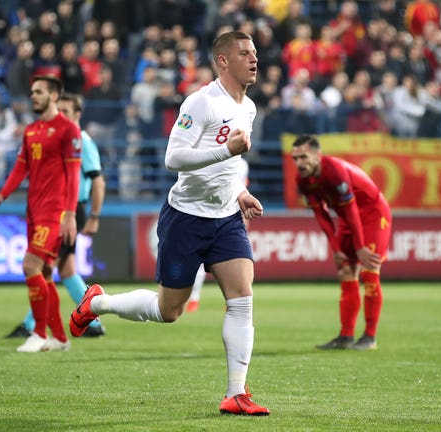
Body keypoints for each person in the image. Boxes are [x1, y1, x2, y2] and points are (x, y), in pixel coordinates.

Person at [69, 31, 270, 416]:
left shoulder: (249, 107)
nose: (254, 59)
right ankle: (99, 302)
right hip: (186, 217)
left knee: (242, 298)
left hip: (226, 216)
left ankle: (236, 393)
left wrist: (240, 191)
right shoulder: (202, 102)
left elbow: (227, 169)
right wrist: (226, 149)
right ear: (223, 61)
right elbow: (173, 158)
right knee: (169, 311)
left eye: (255, 53)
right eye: (245, 53)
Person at [0, 75, 81, 353]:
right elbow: (20, 168)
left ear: (53, 96)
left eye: (39, 92)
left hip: (55, 213)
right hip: (33, 212)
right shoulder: (30, 131)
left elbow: (74, 175)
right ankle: (61, 339)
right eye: (32, 92)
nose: (33, 96)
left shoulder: (68, 131)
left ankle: (39, 333)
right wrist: (2, 195)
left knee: (30, 266)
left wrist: (70, 214)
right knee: (47, 273)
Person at [5, 92, 107, 339]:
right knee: (64, 268)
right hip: (61, 209)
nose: (61, 116)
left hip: (72, 210)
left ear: (78, 115)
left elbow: (98, 181)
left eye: (67, 111)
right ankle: (91, 324)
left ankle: (33, 325)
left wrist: (94, 215)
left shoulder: (82, 140)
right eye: (58, 111)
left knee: (45, 266)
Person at [290, 134, 391, 351]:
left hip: (372, 214)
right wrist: (336, 249)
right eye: (295, 159)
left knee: (370, 270)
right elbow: (322, 215)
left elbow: (353, 208)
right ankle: (346, 336)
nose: (299, 164)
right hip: (348, 217)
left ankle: (370, 337)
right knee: (346, 271)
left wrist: (360, 246)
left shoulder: (334, 170)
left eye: (304, 158)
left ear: (318, 155)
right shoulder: (303, 180)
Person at [186, 156, 250, 313]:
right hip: (204, 214)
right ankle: (194, 298)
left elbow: (240, 188)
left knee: (233, 263)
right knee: (201, 262)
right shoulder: (213, 155)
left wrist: (242, 214)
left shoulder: (241, 164)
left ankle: (231, 301)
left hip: (230, 216)